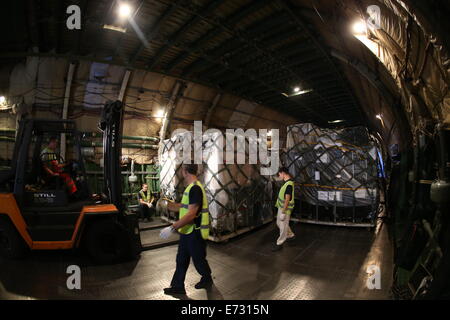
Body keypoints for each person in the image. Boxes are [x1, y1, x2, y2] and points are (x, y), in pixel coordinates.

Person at [159, 164, 212, 295]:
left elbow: (191, 214)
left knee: (199, 259)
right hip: (187, 232)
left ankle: (207, 278)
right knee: (181, 259)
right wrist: (167, 206)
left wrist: (172, 227)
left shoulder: (195, 189)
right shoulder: (190, 188)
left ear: (184, 171)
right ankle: (178, 286)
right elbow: (183, 207)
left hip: (194, 231)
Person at [273, 167, 295, 251]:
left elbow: (287, 199)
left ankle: (279, 243)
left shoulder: (289, 184)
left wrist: (283, 212)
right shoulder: (286, 183)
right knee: (279, 223)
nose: (279, 176)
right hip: (281, 208)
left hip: (285, 209)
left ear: (283, 173)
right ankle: (290, 235)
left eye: (279, 174)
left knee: (282, 226)